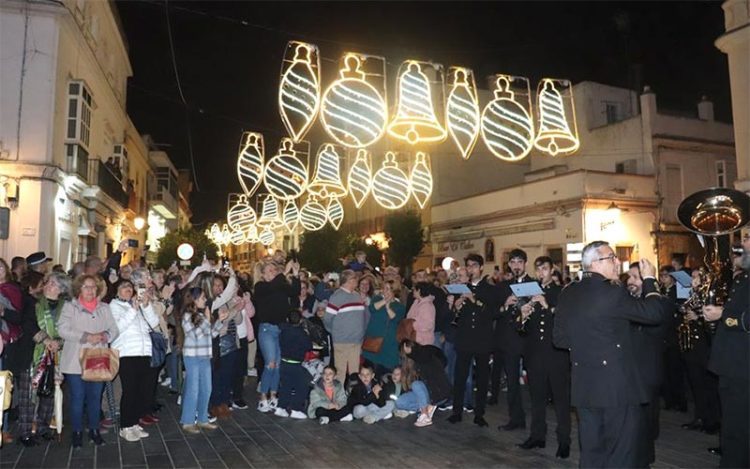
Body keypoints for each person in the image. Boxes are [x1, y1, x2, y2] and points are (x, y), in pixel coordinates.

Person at [553, 241, 668, 467]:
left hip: (585, 386)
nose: (617, 262)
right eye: (611, 257)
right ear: (594, 263)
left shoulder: (569, 293)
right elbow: (654, 313)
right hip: (617, 388)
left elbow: (559, 339)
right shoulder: (612, 292)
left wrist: (589, 348)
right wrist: (650, 280)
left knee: (592, 454)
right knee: (621, 455)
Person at [702, 231, 750, 468]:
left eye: (749, 239)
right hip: (732, 365)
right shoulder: (743, 278)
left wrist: (724, 315)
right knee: (732, 425)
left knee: (739, 428)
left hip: (743, 367)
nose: (743, 244)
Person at [516, 256, 571, 459]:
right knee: (537, 399)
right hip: (535, 355)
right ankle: (537, 436)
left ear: (552, 270)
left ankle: (564, 441)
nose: (540, 273)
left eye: (544, 269)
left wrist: (546, 306)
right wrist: (523, 315)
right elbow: (521, 330)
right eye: (538, 269)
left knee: (561, 401)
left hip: (556, 355)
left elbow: (564, 321)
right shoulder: (529, 293)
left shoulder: (561, 293)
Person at [58, 274, 118, 449]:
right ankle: (76, 432)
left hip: (97, 356)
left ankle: (94, 430)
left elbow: (114, 329)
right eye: (86, 286)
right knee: (77, 397)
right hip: (75, 358)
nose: (90, 290)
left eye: (93, 287)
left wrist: (105, 335)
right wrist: (85, 337)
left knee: (95, 397)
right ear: (79, 289)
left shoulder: (104, 308)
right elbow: (62, 329)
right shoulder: (70, 307)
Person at [448, 254, 503, 427]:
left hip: (482, 340)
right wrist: (454, 306)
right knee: (460, 377)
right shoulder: (461, 288)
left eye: (474, 266)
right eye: (468, 266)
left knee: (481, 378)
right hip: (464, 339)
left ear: (480, 268)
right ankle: (457, 411)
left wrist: (474, 300)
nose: (471, 269)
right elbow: (454, 316)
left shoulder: (490, 289)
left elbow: (493, 313)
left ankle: (479, 414)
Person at [627, 262, 672, 464]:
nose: (630, 282)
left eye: (636, 278)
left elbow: (656, 328)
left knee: (645, 425)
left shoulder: (660, 303)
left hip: (646, 373)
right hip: (627, 373)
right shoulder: (625, 301)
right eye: (629, 277)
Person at [110, 279, 160, 442]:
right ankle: (125, 426)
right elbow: (117, 328)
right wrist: (133, 309)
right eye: (123, 287)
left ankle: (134, 423)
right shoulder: (114, 306)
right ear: (116, 291)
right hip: (126, 353)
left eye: (130, 287)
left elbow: (154, 323)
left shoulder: (136, 305)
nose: (128, 290)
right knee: (130, 390)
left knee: (141, 390)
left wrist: (146, 305)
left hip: (144, 352)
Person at [27, 272, 70, 443]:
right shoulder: (35, 303)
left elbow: (70, 328)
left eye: (52, 283)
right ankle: (31, 425)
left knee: (50, 391)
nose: (47, 285)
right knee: (34, 389)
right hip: (37, 351)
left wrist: (58, 342)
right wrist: (45, 340)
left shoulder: (66, 306)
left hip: (58, 352)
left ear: (61, 289)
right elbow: (29, 324)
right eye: (48, 282)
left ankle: (45, 425)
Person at [253, 259, 300, 412]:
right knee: (270, 363)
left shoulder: (279, 286)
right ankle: (263, 397)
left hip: (280, 329)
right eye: (270, 270)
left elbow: (294, 292)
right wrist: (284, 272)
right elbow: (270, 288)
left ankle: (274, 395)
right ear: (263, 274)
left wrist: (296, 274)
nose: (274, 273)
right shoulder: (261, 287)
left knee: (278, 365)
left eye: (275, 270)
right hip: (267, 329)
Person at [493, 248, 530, 431]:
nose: (516, 266)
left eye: (519, 262)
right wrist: (504, 305)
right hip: (510, 340)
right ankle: (516, 418)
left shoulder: (534, 284)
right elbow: (493, 313)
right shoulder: (502, 287)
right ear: (509, 265)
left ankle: (539, 422)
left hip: (531, 341)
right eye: (513, 262)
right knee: (513, 381)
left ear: (525, 264)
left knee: (536, 382)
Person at [180, 287, 225, 433]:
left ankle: (202, 419)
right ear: (194, 299)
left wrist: (219, 322)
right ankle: (187, 421)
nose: (205, 300)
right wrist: (206, 319)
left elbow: (210, 334)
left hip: (205, 356)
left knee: (207, 388)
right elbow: (196, 335)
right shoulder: (187, 316)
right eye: (202, 298)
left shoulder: (201, 316)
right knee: (193, 389)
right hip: (192, 356)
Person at [7, 271, 44, 446]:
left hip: (25, 353)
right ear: (32, 287)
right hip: (27, 354)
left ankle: (28, 431)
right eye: (41, 284)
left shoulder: (29, 302)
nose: (43, 287)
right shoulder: (30, 303)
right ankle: (26, 433)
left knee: (27, 395)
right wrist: (41, 335)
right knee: (27, 395)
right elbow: (28, 324)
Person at [324, 269, 368, 383]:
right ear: (349, 280)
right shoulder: (336, 297)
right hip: (341, 341)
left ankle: (353, 398)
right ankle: (339, 399)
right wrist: (336, 332)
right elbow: (327, 319)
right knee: (340, 373)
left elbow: (363, 316)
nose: (357, 281)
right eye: (355, 279)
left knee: (354, 373)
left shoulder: (357, 295)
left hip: (356, 341)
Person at [397, 340, 450, 427]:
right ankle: (423, 408)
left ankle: (425, 415)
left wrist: (411, 352)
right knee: (400, 402)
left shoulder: (427, 355)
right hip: (425, 394)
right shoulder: (411, 363)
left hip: (437, 393)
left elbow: (423, 356)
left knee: (416, 384)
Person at [658, 265, 688, 413]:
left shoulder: (678, 291)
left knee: (675, 370)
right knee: (665, 370)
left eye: (666, 275)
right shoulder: (660, 291)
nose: (663, 279)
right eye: (661, 275)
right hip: (663, 335)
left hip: (674, 334)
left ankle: (680, 401)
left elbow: (680, 308)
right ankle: (669, 400)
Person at [361, 280, 406, 376]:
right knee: (368, 371)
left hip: (389, 344)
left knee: (385, 373)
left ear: (394, 291)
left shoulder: (400, 306)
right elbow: (372, 308)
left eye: (388, 289)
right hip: (373, 341)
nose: (385, 291)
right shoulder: (377, 298)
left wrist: (388, 306)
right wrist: (385, 301)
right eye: (384, 288)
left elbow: (394, 317)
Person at [274, 311, 313, 419]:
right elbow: (309, 346)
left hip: (284, 362)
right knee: (303, 385)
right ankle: (296, 408)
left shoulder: (283, 332)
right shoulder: (302, 333)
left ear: (287, 320)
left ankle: (281, 407)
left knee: (286, 386)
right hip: (295, 364)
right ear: (301, 320)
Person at [406, 282, 436, 346]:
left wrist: (411, 324)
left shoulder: (427, 305)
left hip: (423, 341)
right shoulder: (416, 302)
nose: (412, 291)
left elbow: (428, 324)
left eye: (414, 289)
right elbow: (409, 316)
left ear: (419, 290)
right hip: (414, 338)